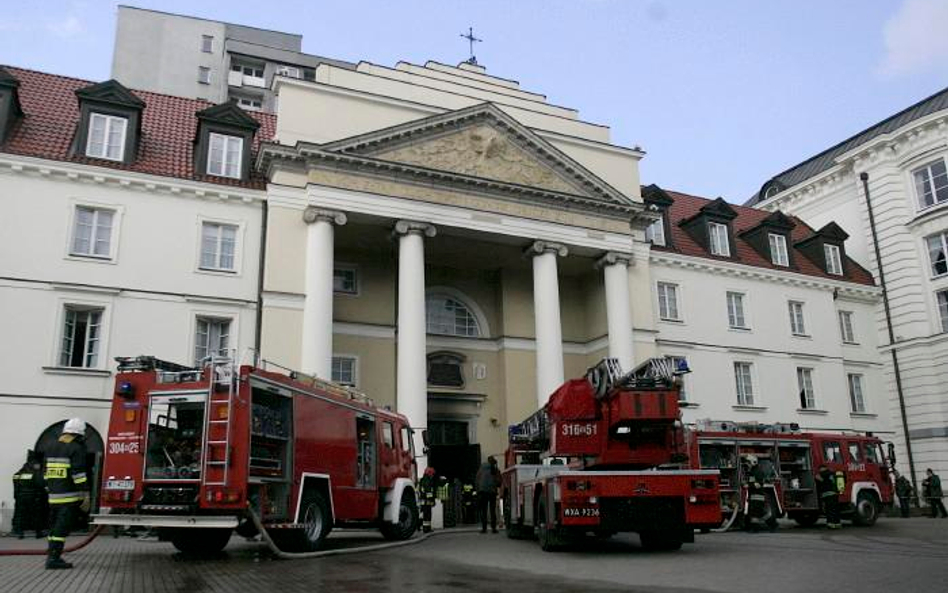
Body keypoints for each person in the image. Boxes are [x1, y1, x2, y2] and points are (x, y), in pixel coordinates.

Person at [43, 418, 90, 570]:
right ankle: (54, 559)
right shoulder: (76, 448)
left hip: (52, 496)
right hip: (68, 497)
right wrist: (85, 494)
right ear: (79, 434)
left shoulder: (50, 446)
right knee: (61, 529)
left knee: (53, 527)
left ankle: (51, 554)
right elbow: (78, 474)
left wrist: (49, 487)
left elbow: (46, 472)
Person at [12, 451, 46, 539]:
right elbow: (40, 482)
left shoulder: (22, 470)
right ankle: (38, 533)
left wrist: (16, 495)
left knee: (21, 515)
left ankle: (20, 533)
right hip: (33, 496)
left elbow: (15, 481)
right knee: (35, 515)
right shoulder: (35, 467)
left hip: (21, 497)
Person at [475, 455, 501, 534]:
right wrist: (496, 486)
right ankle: (493, 528)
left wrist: (478, 490)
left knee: (484, 511)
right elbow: (499, 481)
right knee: (492, 511)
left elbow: (477, 479)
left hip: (482, 492)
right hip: (492, 492)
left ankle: (484, 528)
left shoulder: (481, 469)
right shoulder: (495, 470)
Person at [815, 464, 841, 529]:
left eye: (820, 469)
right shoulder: (832, 473)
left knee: (829, 510)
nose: (819, 470)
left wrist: (818, 478)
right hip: (835, 493)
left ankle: (830, 524)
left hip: (827, 494)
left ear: (822, 468)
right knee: (835, 509)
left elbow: (821, 483)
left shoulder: (822, 474)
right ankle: (837, 523)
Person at [418, 466, 437, 533]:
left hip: (424, 501)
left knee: (425, 515)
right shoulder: (427, 481)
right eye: (432, 474)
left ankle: (426, 528)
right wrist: (432, 500)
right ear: (429, 473)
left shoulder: (423, 480)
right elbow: (428, 492)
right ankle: (426, 529)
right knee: (427, 515)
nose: (432, 475)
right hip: (427, 501)